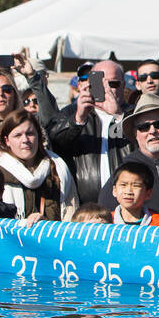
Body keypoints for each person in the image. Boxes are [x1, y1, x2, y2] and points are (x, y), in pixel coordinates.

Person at [49, 59, 129, 209]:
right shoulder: (71, 112)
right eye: (100, 83)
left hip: (126, 206)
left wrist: (118, 116)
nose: (107, 90)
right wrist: (78, 119)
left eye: (113, 84)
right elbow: (56, 144)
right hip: (84, 207)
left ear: (123, 85)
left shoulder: (132, 114)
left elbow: (138, 147)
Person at [98, 93, 159, 213]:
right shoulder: (125, 172)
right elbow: (105, 219)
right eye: (144, 127)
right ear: (135, 133)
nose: (152, 131)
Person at [0, 107, 75, 223]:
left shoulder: (58, 167)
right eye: (18, 135)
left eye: (30, 133)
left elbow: (71, 210)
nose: (25, 140)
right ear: (7, 140)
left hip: (53, 238)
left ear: (38, 136)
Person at [109, 160, 159, 226]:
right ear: (114, 190)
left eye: (136, 186)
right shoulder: (105, 221)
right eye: (123, 185)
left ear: (148, 193)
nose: (128, 192)